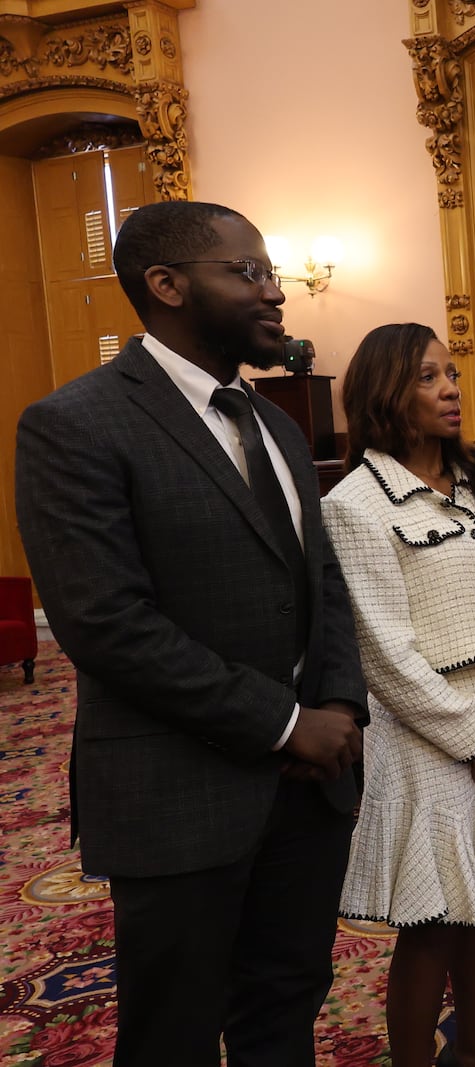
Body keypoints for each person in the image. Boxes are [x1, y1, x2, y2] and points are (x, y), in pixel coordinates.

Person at [13, 200, 367, 1067]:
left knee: (284, 1009)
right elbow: (106, 624)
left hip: (305, 791)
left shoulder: (278, 424)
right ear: (167, 285)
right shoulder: (76, 424)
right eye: (247, 272)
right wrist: (283, 723)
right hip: (177, 791)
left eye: (272, 271)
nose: (276, 292)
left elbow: (320, 581)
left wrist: (339, 702)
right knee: (172, 1032)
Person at [322, 324, 475, 1067]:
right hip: (428, 736)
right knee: (433, 915)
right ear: (387, 393)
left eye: (452, 373)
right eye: (429, 377)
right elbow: (384, 654)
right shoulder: (356, 503)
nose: (451, 388)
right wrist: (474, 734)